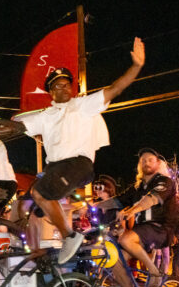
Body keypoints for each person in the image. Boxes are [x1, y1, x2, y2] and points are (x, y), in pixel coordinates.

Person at [13, 37, 145, 263]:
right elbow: (17, 126)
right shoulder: (45, 116)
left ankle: (69, 237)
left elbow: (115, 89)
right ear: (50, 91)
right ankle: (50, 249)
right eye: (58, 85)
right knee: (34, 200)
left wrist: (136, 66)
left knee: (40, 193)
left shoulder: (83, 105)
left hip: (77, 164)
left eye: (67, 84)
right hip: (55, 168)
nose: (64, 88)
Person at [109, 148, 179, 287]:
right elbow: (116, 200)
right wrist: (87, 207)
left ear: (157, 163)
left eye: (150, 159)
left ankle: (154, 273)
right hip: (141, 233)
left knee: (126, 239)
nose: (146, 162)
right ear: (139, 166)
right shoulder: (137, 187)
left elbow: (152, 199)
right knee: (114, 260)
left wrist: (133, 210)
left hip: (161, 229)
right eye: (143, 160)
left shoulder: (165, 182)